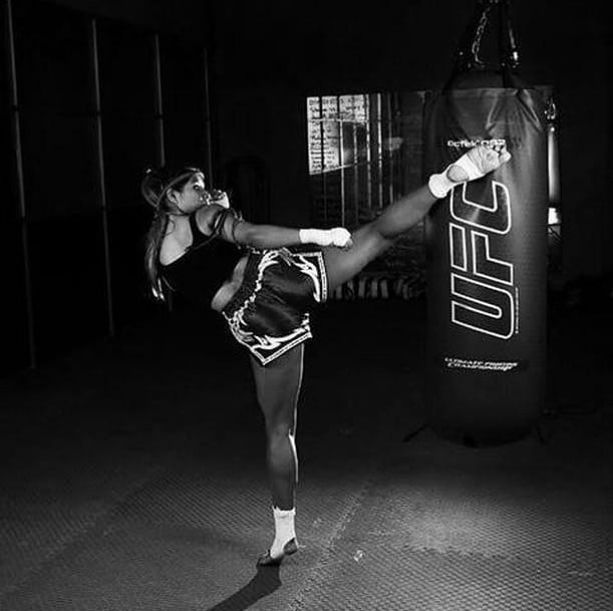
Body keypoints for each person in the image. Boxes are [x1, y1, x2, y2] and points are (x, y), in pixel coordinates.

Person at [141, 143, 510, 567]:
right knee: (377, 234)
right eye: (197, 186)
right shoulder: (204, 216)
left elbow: (212, 269)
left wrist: (225, 216)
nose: (206, 192)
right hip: (279, 281)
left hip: (259, 322)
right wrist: (312, 235)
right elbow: (252, 236)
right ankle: (451, 177)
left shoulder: (159, 251)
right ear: (172, 196)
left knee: (280, 430)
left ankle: (285, 535)